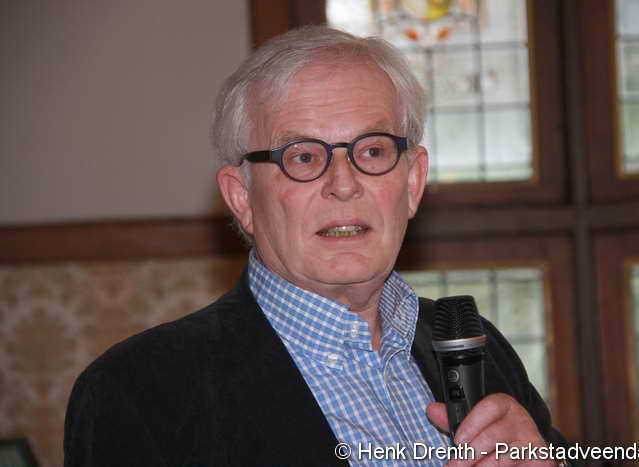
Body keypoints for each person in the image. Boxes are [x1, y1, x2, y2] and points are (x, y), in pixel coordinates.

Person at [64, 26, 568, 466]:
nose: (343, 185)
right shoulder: (138, 390)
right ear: (242, 198)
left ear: (413, 183)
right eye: (303, 157)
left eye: (373, 150)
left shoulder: (475, 346)